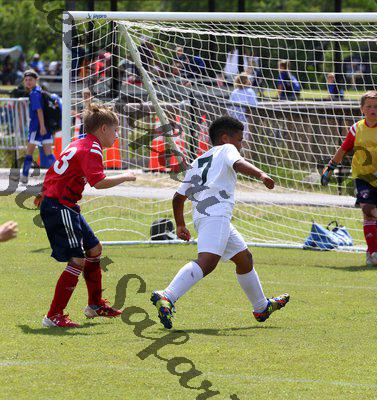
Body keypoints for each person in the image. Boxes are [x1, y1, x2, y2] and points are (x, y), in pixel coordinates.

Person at [150, 116, 289, 329]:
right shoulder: (227, 149)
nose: (241, 145)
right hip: (216, 214)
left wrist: (180, 225)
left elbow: (178, 198)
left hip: (204, 217)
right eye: (240, 140)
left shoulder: (199, 161)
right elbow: (238, 163)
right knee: (207, 262)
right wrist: (261, 174)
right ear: (225, 138)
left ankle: (261, 307)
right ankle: (167, 295)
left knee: (244, 259)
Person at [38, 103, 137, 327]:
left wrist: (44, 192)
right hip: (60, 206)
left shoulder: (78, 143)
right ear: (103, 128)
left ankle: (95, 305)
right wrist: (125, 176)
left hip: (63, 204)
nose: (117, 135)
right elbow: (98, 182)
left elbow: (56, 172)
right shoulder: (92, 148)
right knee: (77, 259)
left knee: (94, 249)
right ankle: (53, 315)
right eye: (115, 130)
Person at [320, 91, 377, 267]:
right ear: (362, 109)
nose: (373, 109)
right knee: (369, 211)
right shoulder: (356, 129)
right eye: (369, 106)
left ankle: (370, 252)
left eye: (376, 106)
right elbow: (343, 149)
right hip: (362, 177)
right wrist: (330, 167)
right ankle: (374, 253)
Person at [19, 70, 56, 184]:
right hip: (45, 127)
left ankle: (24, 175)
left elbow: (39, 110)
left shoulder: (34, 93)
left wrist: (42, 126)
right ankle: (61, 175)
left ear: (36, 80)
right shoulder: (40, 91)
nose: (28, 82)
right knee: (49, 154)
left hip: (37, 127)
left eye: (30, 79)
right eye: (26, 80)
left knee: (29, 152)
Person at [228, 73, 258, 140]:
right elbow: (254, 105)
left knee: (235, 139)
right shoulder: (250, 91)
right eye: (248, 79)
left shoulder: (234, 92)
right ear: (245, 81)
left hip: (235, 120)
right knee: (245, 140)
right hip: (246, 120)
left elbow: (230, 107)